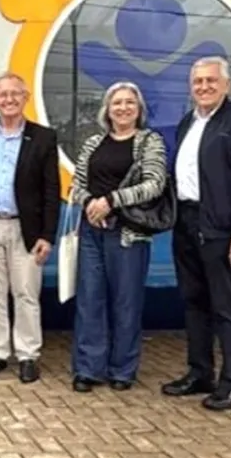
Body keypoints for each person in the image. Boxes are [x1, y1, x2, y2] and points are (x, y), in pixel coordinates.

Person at [162, 56, 231, 411]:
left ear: (227, 85)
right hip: (186, 223)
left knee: (228, 308)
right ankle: (200, 373)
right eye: (198, 81)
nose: (204, 87)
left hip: (223, 230)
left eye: (211, 80)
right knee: (194, 302)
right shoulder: (187, 123)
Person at [67, 82, 168, 392]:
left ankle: (122, 370)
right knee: (89, 299)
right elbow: (76, 185)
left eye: (129, 103)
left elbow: (155, 184)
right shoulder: (93, 142)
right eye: (116, 103)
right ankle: (88, 368)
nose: (123, 108)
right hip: (92, 232)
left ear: (139, 109)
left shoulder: (149, 141)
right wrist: (90, 204)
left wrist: (110, 201)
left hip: (129, 234)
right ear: (107, 110)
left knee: (126, 302)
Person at [0, 72, 60, 383]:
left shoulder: (43, 137)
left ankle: (28, 354)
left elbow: (51, 190)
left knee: (26, 293)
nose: (9, 100)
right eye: (2, 95)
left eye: (15, 94)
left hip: (26, 229)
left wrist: (47, 235)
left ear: (25, 98)